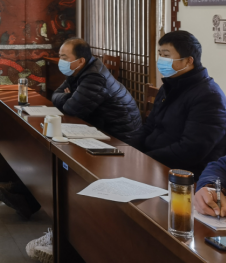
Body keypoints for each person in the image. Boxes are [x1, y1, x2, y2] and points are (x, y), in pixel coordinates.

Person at [132, 30, 226, 179]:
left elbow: (191, 150)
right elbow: (149, 127)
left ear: (188, 61)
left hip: (184, 175)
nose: (161, 60)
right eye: (160, 54)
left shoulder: (209, 96)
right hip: (154, 162)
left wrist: (144, 159)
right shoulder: (168, 86)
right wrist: (127, 149)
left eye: (166, 55)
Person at [51, 38, 142, 143]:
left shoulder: (95, 76)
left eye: (64, 58)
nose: (60, 61)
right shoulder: (76, 71)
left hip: (121, 137)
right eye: (60, 57)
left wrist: (71, 98)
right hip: (102, 128)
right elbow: (55, 95)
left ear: (80, 61)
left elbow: (72, 109)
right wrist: (70, 97)